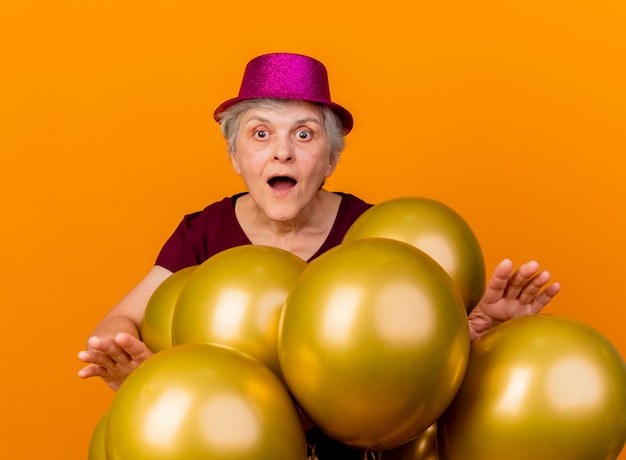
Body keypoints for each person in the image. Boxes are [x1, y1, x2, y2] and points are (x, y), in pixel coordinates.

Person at [77, 52, 561, 458]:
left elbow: (421, 372)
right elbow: (117, 323)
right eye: (260, 134)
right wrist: (138, 370)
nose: (282, 153)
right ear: (235, 156)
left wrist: (475, 329)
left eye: (304, 134)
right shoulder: (202, 233)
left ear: (331, 158)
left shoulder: (375, 239)